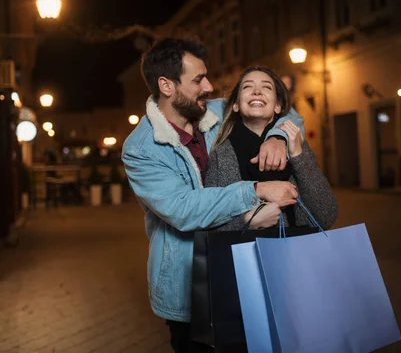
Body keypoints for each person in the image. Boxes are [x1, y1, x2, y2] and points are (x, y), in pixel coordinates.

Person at [121, 38, 304, 352]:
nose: (208, 86)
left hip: (247, 266)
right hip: (191, 282)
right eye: (197, 80)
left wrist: (275, 136)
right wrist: (255, 191)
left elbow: (288, 112)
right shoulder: (140, 148)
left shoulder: (218, 112)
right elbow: (183, 209)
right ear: (166, 86)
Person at [206, 66, 338, 231]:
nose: (257, 91)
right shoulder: (220, 153)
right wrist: (248, 221)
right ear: (235, 106)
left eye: (266, 87)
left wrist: (297, 155)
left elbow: (327, 216)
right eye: (247, 86)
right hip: (243, 255)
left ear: (277, 106)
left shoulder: (294, 143)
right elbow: (209, 224)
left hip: (296, 252)